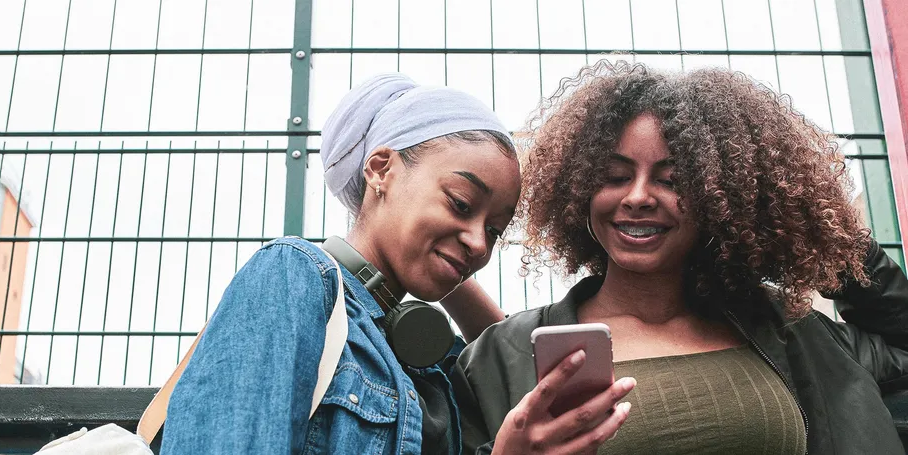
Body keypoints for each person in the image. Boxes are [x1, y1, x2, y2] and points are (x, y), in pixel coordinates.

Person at [452, 60, 908, 454]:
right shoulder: (500, 356)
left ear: (720, 197)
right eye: (614, 175)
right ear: (579, 189)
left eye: (672, 180)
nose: (637, 196)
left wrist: (820, 235)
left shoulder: (793, 331)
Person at [160, 73, 522, 454]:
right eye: (460, 204)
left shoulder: (435, 359)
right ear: (381, 169)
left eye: (495, 230)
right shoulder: (294, 277)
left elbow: (518, 371)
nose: (480, 244)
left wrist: (447, 255)